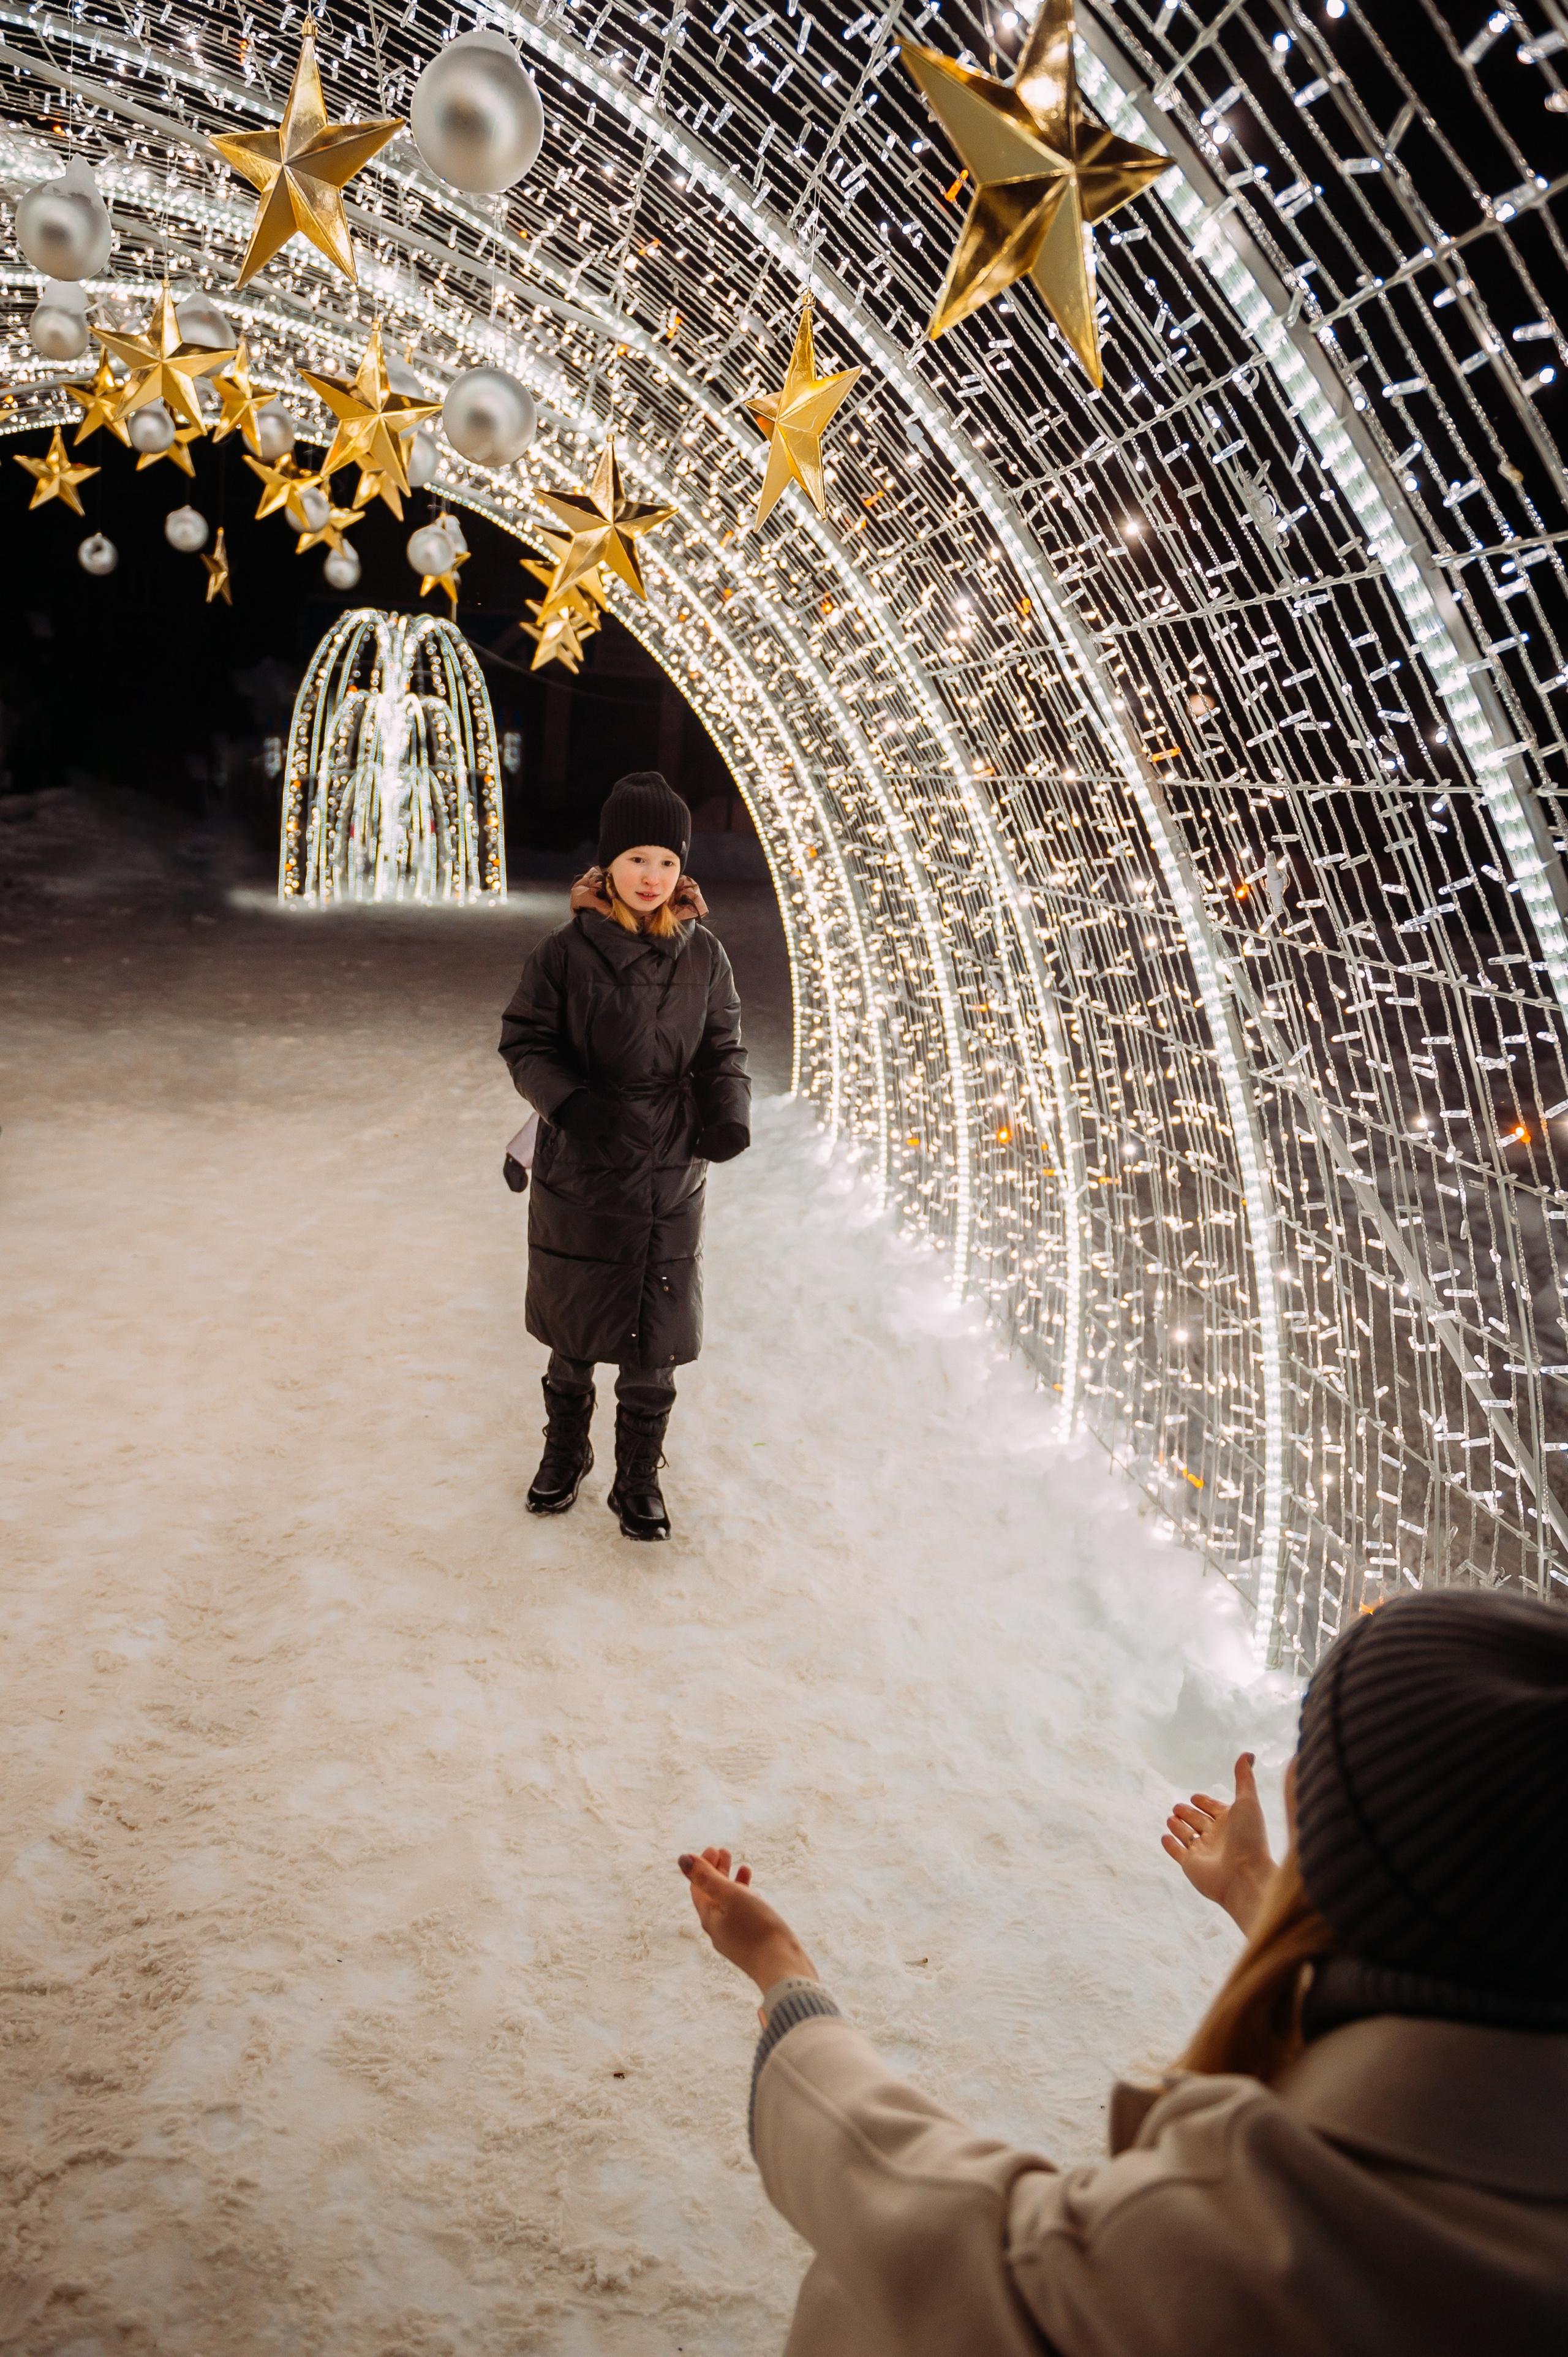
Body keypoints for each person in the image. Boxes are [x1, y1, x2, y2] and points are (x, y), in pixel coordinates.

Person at [677, 1588, 1568, 2354]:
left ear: (1397, 1855)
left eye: (1318, 1748)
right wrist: (1260, 1891)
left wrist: (786, 1982)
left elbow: (962, 2251)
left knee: (862, 2310)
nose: (1294, 1772)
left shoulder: (1275, 2234)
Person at [499, 771, 750, 1541]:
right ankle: (565, 1453)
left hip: (671, 1167)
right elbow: (526, 1039)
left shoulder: (704, 954)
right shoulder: (564, 954)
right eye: (638, 859)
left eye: (667, 862)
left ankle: (637, 1476)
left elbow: (723, 1046)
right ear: (608, 864)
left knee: (656, 1331)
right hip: (583, 1160)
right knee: (575, 1328)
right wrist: (571, 1102)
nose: (652, 877)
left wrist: (726, 1112)